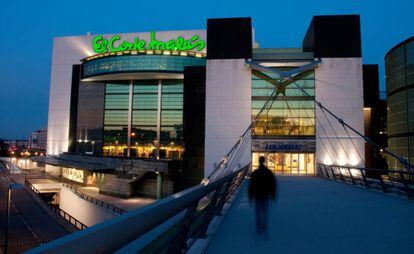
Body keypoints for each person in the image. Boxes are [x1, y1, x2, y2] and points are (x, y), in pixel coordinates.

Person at [248, 156, 276, 238]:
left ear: (258, 161)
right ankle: (264, 225)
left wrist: (251, 195)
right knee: (265, 212)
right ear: (264, 161)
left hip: (257, 195)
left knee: (258, 212)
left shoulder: (255, 173)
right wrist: (272, 194)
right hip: (266, 195)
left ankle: (258, 228)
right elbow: (272, 184)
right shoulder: (269, 172)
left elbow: (251, 185)